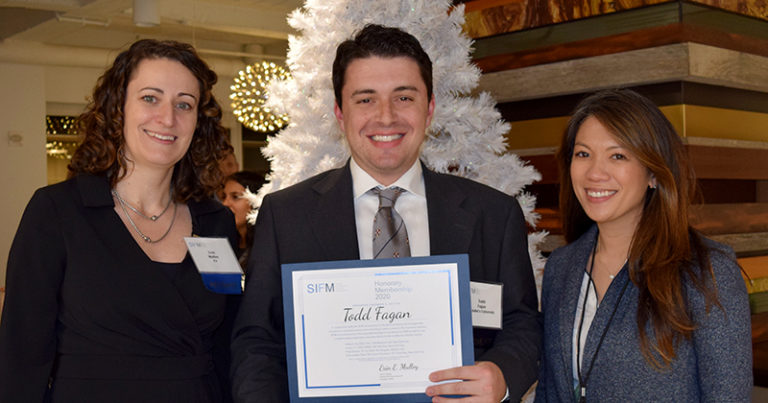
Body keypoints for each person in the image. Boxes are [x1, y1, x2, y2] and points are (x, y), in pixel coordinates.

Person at [231, 24, 541, 403]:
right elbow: (257, 341)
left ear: (429, 109)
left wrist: (503, 375)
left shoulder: (493, 213)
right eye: (365, 99)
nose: (386, 117)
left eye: (404, 97)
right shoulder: (286, 215)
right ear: (339, 113)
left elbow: (522, 324)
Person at [0, 39, 239, 402]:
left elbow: (229, 344)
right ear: (118, 109)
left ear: (197, 121)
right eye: (149, 98)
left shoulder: (215, 222)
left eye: (184, 104)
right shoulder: (58, 212)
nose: (168, 118)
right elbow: (21, 354)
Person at [535, 89, 752, 402]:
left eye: (618, 155)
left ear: (653, 173)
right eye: (583, 154)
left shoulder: (706, 271)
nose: (595, 173)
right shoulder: (561, 266)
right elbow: (549, 389)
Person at [219, 171, 265, 266]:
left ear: (255, 202)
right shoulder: (223, 242)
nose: (225, 204)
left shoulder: (265, 246)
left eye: (235, 197)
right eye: (224, 197)